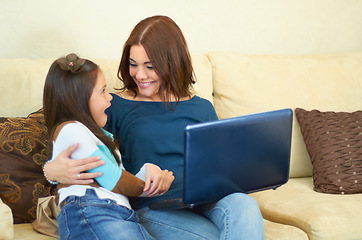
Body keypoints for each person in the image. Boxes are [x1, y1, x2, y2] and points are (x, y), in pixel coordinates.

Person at [45, 16, 264, 239]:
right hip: (153, 205)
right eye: (133, 64)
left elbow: (221, 164)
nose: (140, 75)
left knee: (245, 204)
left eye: (150, 67)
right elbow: (82, 148)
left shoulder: (202, 108)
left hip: (208, 198)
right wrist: (50, 172)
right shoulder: (113, 105)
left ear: (172, 63)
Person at [43, 53, 174, 240]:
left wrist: (150, 173)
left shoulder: (100, 135)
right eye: (103, 91)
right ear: (79, 100)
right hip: (92, 210)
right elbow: (114, 179)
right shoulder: (71, 129)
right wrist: (145, 185)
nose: (110, 97)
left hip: (117, 213)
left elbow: (113, 181)